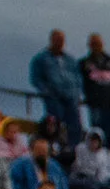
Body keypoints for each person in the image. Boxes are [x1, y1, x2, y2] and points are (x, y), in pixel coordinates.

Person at [28, 30, 84, 160]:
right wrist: (46, 91)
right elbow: (35, 78)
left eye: (61, 40)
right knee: (54, 124)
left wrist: (76, 94)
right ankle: (53, 150)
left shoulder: (70, 60)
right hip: (53, 98)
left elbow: (78, 78)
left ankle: (72, 152)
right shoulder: (41, 58)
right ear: (51, 40)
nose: (59, 43)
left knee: (75, 125)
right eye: (57, 40)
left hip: (70, 98)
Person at [78, 33, 110, 150]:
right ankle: (95, 154)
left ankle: (105, 154)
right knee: (96, 132)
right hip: (95, 105)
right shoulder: (84, 64)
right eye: (93, 44)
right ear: (89, 45)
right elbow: (77, 82)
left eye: (98, 43)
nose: (96, 46)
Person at [8, 133, 73, 189]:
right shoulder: (20, 165)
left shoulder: (55, 167)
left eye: (44, 151)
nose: (42, 154)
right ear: (31, 150)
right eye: (39, 151)